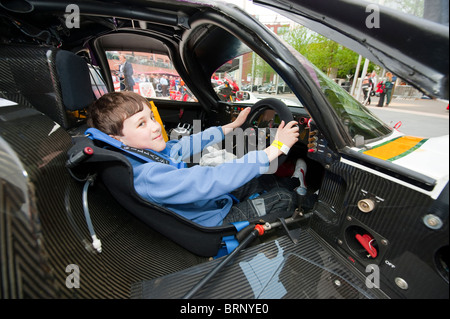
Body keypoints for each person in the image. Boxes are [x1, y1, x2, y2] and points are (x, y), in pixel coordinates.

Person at [87, 91, 301, 227]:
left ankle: (290, 185)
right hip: (213, 221)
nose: (155, 126)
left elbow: (183, 145)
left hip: (208, 203)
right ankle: (300, 196)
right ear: (116, 138)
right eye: (141, 124)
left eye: (151, 117)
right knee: (284, 199)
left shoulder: (142, 155)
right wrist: (276, 148)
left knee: (257, 181)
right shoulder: (148, 176)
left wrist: (232, 126)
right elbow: (211, 179)